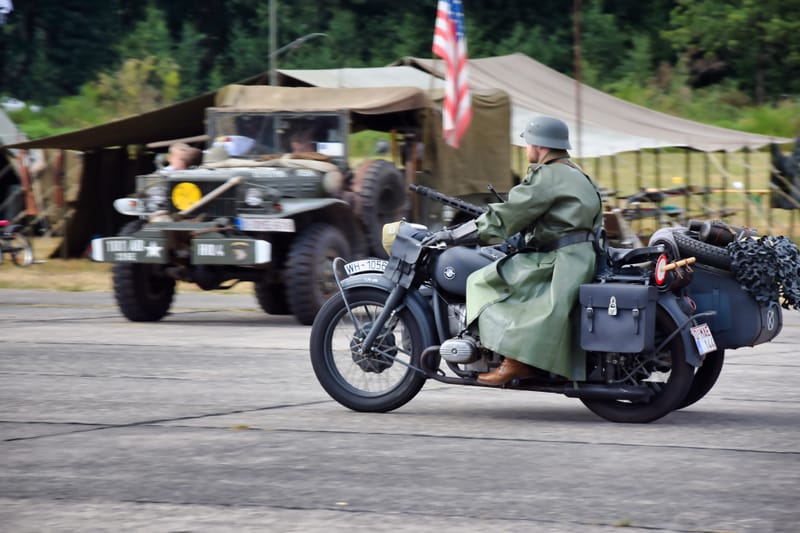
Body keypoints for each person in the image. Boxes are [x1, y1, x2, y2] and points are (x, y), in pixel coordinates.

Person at [427, 115, 603, 386]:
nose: (525, 148)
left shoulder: (547, 176)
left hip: (558, 262)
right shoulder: (578, 174)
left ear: (540, 145)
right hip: (581, 258)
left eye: (528, 143)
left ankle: (513, 360)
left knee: (482, 281)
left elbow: (508, 216)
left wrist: (455, 234)